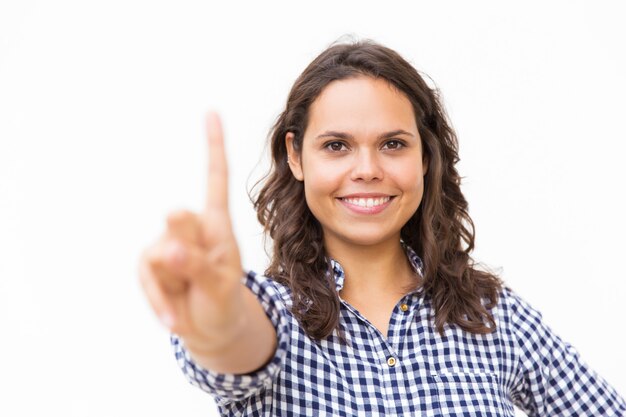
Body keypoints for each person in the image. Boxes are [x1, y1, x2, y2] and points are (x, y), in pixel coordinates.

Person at [138, 38, 626, 416]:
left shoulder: (495, 317)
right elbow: (232, 341)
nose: (367, 169)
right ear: (295, 155)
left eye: (393, 144)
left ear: (425, 157)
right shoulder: (273, 316)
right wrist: (217, 315)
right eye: (336, 146)